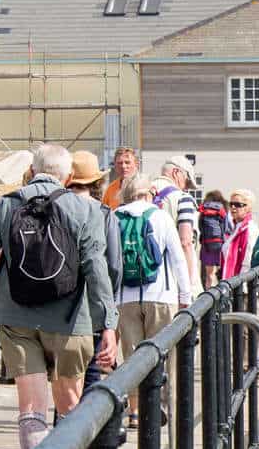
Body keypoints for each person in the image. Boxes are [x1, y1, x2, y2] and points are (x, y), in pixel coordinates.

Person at [0, 144, 118, 449]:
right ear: (68, 177)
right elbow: (97, 270)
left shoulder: (7, 205)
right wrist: (107, 323)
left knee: (31, 409)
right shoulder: (85, 208)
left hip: (17, 318)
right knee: (69, 406)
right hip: (71, 321)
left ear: (32, 172)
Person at [110, 174, 190, 426]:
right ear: (149, 194)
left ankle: (134, 411)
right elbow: (177, 257)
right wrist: (185, 295)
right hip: (161, 296)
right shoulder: (160, 216)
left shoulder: (114, 218)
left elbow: (108, 260)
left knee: (132, 357)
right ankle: (162, 405)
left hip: (125, 298)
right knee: (164, 353)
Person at [65, 151, 121, 394]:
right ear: (96, 182)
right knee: (91, 373)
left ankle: (63, 427)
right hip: (93, 304)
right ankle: (88, 430)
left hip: (60, 305)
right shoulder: (105, 214)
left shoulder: (55, 208)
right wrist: (111, 303)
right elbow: (115, 265)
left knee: (65, 377)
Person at [153, 156, 202, 296]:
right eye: (187, 181)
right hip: (170, 282)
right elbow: (186, 242)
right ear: (176, 173)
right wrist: (189, 286)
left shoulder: (139, 193)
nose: (186, 187)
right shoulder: (182, 198)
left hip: (138, 282)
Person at [220, 189, 258, 279]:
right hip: (230, 281)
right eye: (231, 204)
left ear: (248, 207)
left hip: (239, 285)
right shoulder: (236, 227)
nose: (233, 207)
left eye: (238, 205)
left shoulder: (248, 229)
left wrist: (241, 287)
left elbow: (247, 262)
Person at [197, 190, 233, 287]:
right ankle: (222, 294)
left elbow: (200, 227)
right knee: (222, 273)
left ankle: (209, 294)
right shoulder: (224, 208)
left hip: (207, 245)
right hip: (221, 243)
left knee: (209, 275)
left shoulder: (204, 209)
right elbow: (227, 227)